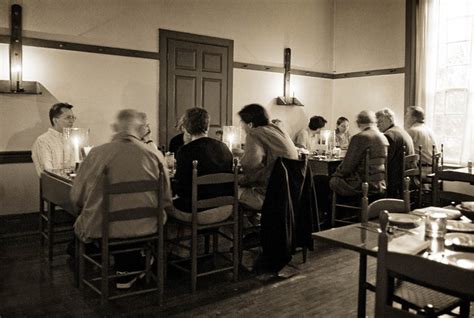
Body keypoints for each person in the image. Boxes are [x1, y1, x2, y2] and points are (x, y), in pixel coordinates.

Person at [71, 109, 173, 289]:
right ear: (141, 129)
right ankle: (132, 267)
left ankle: (123, 269)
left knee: (90, 220)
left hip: (103, 228)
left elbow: (76, 197)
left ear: (116, 127)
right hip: (149, 226)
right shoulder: (155, 155)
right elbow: (166, 199)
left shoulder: (97, 154)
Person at [171, 108, 234, 216]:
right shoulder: (224, 147)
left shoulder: (185, 150)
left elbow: (181, 189)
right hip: (225, 207)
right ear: (207, 126)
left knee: (165, 204)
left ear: (186, 128)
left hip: (197, 210)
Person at [238, 104, 298, 210]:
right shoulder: (278, 130)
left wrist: (239, 175)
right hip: (290, 193)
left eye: (242, 123)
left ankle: (241, 225)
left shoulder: (254, 134)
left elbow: (250, 165)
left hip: (269, 195)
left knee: (229, 191)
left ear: (250, 124)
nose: (242, 127)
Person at [330, 111, 389, 197]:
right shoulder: (383, 137)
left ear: (358, 123)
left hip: (361, 184)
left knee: (329, 181)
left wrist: (335, 174)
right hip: (379, 183)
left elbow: (347, 167)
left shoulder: (359, 137)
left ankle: (336, 210)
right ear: (374, 122)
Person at [375, 108, 415, 198]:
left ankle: (373, 207)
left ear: (389, 120)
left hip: (397, 178)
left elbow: (385, 160)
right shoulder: (401, 131)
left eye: (380, 121)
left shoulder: (389, 135)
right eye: (376, 122)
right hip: (408, 175)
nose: (377, 125)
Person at [31, 102, 76, 176]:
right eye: (68, 117)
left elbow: (75, 167)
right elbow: (48, 172)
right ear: (55, 120)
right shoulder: (43, 141)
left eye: (73, 117)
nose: (71, 121)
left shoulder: (71, 140)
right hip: (53, 185)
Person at [405, 106, 438, 174]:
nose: (405, 118)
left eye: (407, 116)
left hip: (421, 170)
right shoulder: (429, 129)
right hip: (433, 169)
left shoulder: (412, 131)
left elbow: (405, 150)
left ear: (414, 118)